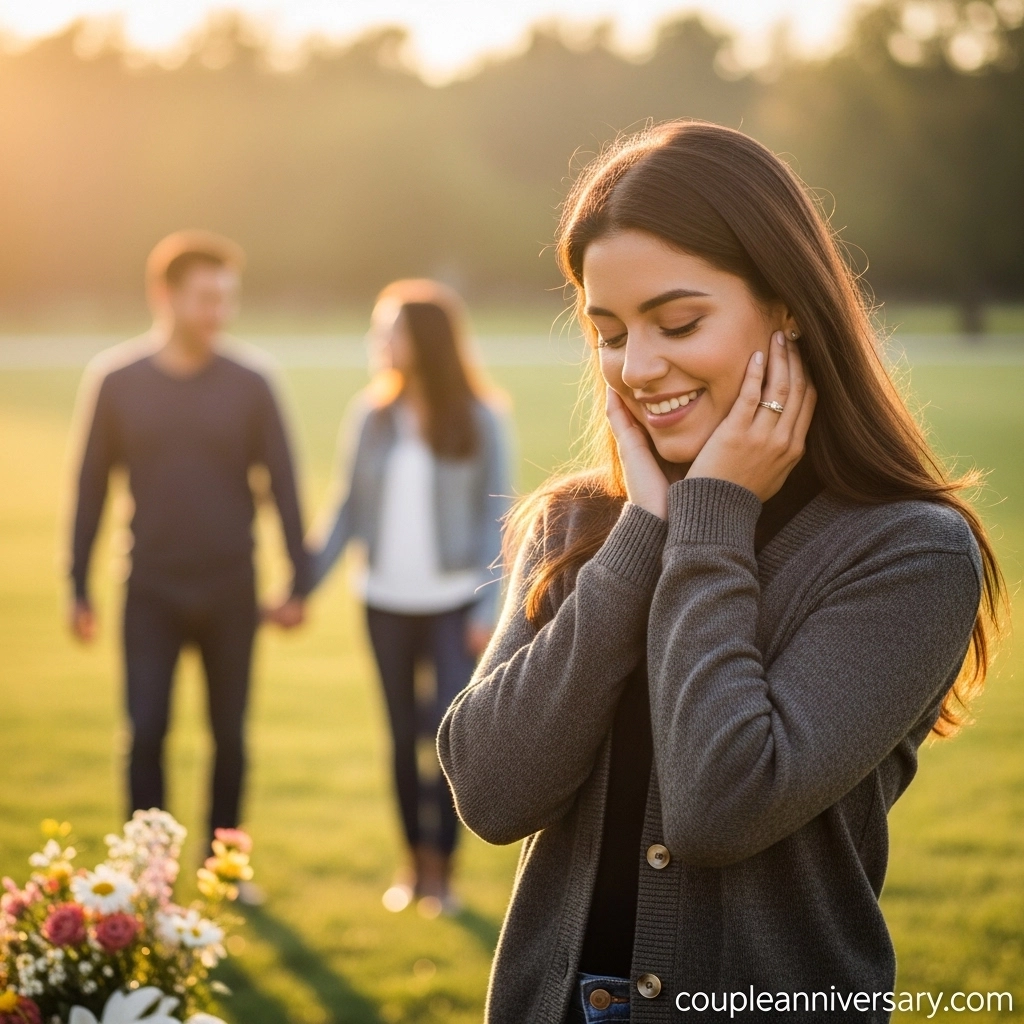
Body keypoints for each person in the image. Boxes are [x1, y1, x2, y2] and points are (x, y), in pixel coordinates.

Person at [437, 121, 1005, 1023]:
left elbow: (719, 806)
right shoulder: (577, 524)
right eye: (610, 333)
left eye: (679, 322)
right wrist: (639, 537)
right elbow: (493, 791)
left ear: (786, 306)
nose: (639, 367)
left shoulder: (909, 551)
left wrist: (709, 520)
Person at [68, 229, 310, 863]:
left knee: (229, 738)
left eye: (227, 300)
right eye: (206, 298)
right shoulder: (116, 381)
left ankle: (220, 865)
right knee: (146, 732)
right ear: (165, 295)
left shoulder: (251, 382)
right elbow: (90, 487)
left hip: (232, 588)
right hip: (148, 586)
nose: (218, 314)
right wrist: (76, 584)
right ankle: (146, 872)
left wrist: (300, 581)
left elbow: (284, 483)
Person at [304, 278, 513, 917]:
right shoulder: (371, 416)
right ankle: (412, 863)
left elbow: (499, 519)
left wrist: (486, 609)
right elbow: (345, 506)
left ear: (424, 339)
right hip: (383, 601)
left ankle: (442, 870)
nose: (381, 341)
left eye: (390, 329)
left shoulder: (480, 417)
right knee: (398, 737)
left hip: (454, 605)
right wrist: (301, 584)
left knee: (444, 735)